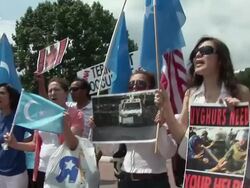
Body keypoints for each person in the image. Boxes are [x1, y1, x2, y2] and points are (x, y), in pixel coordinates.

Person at [154, 36, 250, 159]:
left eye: (206, 50)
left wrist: (241, 116)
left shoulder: (240, 92)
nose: (198, 54)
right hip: (199, 170)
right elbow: (181, 138)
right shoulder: (190, 94)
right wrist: (166, 105)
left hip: (232, 170)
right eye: (195, 52)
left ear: (220, 59)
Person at [4, 77, 84, 188]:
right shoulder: (42, 116)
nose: (52, 93)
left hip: (65, 170)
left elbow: (73, 145)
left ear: (66, 93)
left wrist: (64, 125)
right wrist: (15, 144)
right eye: (50, 90)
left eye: (56, 90)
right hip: (42, 169)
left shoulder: (76, 114)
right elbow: (34, 145)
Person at [117, 70, 177, 188]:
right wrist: (100, 128)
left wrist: (159, 128)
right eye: (131, 85)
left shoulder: (163, 113)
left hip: (153, 181)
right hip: (126, 179)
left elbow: (169, 152)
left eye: (140, 84)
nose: (134, 87)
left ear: (150, 88)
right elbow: (110, 151)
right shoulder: (122, 114)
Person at [0, 83, 32, 188]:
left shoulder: (20, 117)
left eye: (2, 93)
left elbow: (37, 136)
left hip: (16, 174)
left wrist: (18, 144)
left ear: (11, 97)